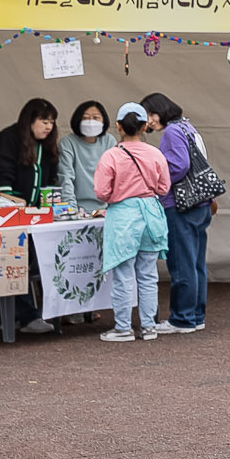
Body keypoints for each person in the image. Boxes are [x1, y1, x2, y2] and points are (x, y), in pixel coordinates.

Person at [0, 98, 64, 333]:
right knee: (16, 258)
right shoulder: (8, 139)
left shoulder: (47, 146)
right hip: (6, 220)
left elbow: (50, 181)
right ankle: (26, 317)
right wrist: (18, 209)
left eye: (52, 122)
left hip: (35, 219)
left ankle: (56, 313)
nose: (48, 127)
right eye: (43, 121)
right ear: (30, 121)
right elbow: (0, 179)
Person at [92, 103, 173, 343]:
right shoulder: (156, 154)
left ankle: (123, 327)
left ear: (118, 126)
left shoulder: (112, 155)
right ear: (144, 126)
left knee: (123, 275)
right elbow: (164, 188)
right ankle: (149, 326)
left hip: (123, 217)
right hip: (151, 214)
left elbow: (101, 192)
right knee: (148, 275)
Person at [141, 93, 212, 334]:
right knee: (196, 263)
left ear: (159, 110)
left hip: (181, 205)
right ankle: (195, 315)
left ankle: (182, 319)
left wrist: (157, 183)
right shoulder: (187, 126)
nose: (148, 121)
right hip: (201, 203)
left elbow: (178, 166)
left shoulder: (172, 132)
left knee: (181, 263)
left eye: (149, 114)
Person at [57, 101, 114, 214]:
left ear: (104, 121)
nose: (91, 122)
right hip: (77, 208)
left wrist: (113, 209)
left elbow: (116, 177)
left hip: (105, 209)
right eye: (85, 118)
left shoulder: (109, 141)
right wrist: (71, 209)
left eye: (95, 118)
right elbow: (66, 177)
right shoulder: (68, 143)